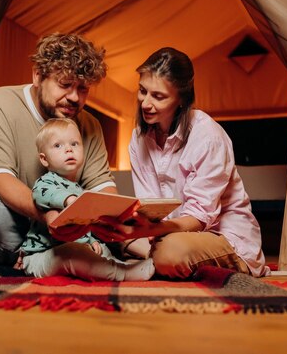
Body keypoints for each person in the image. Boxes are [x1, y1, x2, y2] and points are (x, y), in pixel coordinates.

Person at [92, 47, 270, 278]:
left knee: (169, 254)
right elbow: (150, 207)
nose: (145, 103)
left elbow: (199, 218)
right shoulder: (138, 139)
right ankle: (154, 257)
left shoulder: (208, 136)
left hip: (221, 237)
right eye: (142, 91)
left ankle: (158, 260)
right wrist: (130, 224)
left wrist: (152, 232)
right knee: (106, 234)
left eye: (158, 96)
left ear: (181, 99)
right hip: (167, 233)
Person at [0, 33, 117, 265]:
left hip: (51, 232)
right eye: (64, 85)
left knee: (115, 222)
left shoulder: (90, 125)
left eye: (83, 89)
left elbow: (103, 188)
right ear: (37, 75)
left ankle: (41, 261)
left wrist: (117, 217)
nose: (74, 97)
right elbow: (0, 180)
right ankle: (48, 261)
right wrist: (49, 217)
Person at [17, 117, 154, 280]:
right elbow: (40, 195)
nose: (68, 149)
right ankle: (123, 274)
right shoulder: (46, 182)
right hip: (39, 256)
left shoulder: (80, 190)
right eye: (58, 145)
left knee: (100, 248)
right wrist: (69, 199)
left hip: (73, 247)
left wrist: (90, 241)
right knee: (73, 254)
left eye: (74, 144)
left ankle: (120, 265)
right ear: (44, 159)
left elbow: (83, 225)